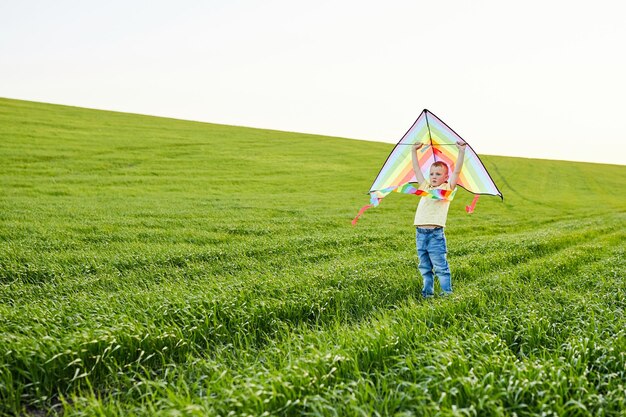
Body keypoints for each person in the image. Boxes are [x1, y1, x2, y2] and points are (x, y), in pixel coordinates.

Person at [411, 140, 467, 298]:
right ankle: (427, 294)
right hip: (420, 233)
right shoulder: (426, 187)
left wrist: (461, 151)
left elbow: (456, 172)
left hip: (435, 234)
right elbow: (416, 169)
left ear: (445, 177)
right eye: (432, 174)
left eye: (438, 174)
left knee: (440, 267)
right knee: (425, 267)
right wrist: (414, 151)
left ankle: (446, 294)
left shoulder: (447, 189)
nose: (434, 177)